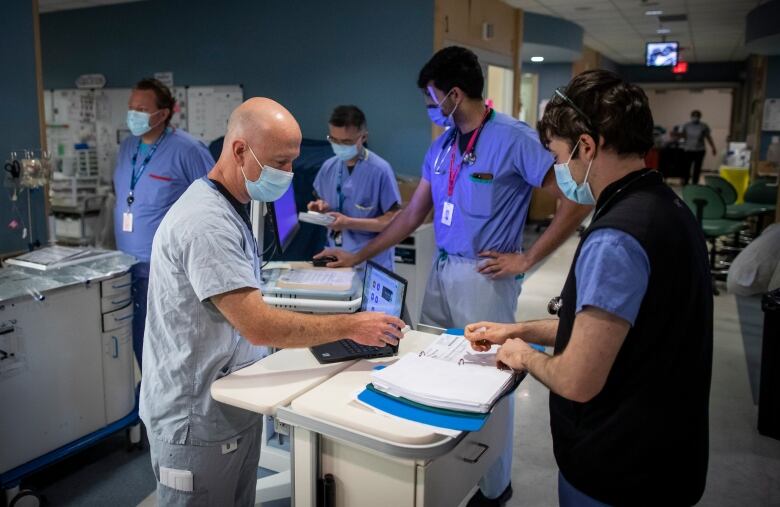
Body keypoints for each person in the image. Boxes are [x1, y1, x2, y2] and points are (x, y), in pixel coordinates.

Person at [316, 46, 590, 506]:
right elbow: (409, 218)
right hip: (443, 272)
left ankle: (494, 486)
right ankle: (444, 466)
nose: (429, 106)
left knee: (489, 381)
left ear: (454, 95)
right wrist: (356, 256)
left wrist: (528, 259)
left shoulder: (513, 139)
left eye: (431, 97)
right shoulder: (442, 146)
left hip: (485, 278)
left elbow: (576, 197)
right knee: (435, 368)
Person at [139, 98, 405, 506]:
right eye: (280, 162)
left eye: (292, 162)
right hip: (194, 418)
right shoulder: (206, 222)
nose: (288, 174)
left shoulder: (230, 205)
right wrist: (351, 326)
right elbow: (256, 324)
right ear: (240, 150)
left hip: (230, 403)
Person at [465, 70, 713, 506]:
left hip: (618, 471)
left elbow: (578, 379)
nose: (557, 170)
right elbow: (609, 330)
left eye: (557, 156)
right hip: (668, 456)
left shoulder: (617, 237)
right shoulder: (666, 207)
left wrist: (522, 356)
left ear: (586, 146)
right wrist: (517, 330)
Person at [113, 78, 214, 369]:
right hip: (127, 265)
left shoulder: (188, 150)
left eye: (142, 109)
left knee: (166, 343)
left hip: (165, 268)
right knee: (138, 339)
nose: (134, 114)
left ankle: (169, 406)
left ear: (164, 113)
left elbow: (215, 203)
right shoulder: (127, 147)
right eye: (131, 108)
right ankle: (149, 399)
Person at [308, 105, 402, 271]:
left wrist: (348, 223)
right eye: (334, 140)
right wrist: (320, 207)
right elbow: (323, 199)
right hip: (336, 258)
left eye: (346, 142)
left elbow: (393, 223)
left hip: (372, 263)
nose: (339, 146)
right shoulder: (328, 167)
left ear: (363, 137)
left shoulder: (380, 171)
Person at [680, 109, 717, 185]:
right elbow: (683, 136)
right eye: (694, 115)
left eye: (697, 116)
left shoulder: (703, 126)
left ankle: (694, 183)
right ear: (691, 116)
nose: (695, 117)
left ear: (700, 117)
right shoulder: (687, 126)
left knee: (697, 168)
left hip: (699, 150)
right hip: (688, 150)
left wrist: (713, 147)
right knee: (686, 167)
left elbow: (708, 137)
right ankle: (685, 182)